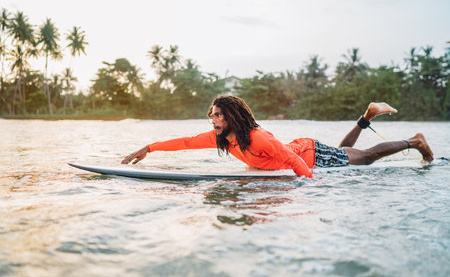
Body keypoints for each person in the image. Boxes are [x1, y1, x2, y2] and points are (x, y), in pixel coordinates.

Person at [121, 95, 433, 178]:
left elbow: (293, 161)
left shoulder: (258, 138)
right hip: (305, 150)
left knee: (363, 159)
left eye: (218, 114)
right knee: (344, 155)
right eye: (212, 115)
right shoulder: (220, 137)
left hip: (307, 154)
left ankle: (415, 141)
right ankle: (366, 116)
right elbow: (185, 142)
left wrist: (313, 187)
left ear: (232, 117)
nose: (213, 119)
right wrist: (149, 148)